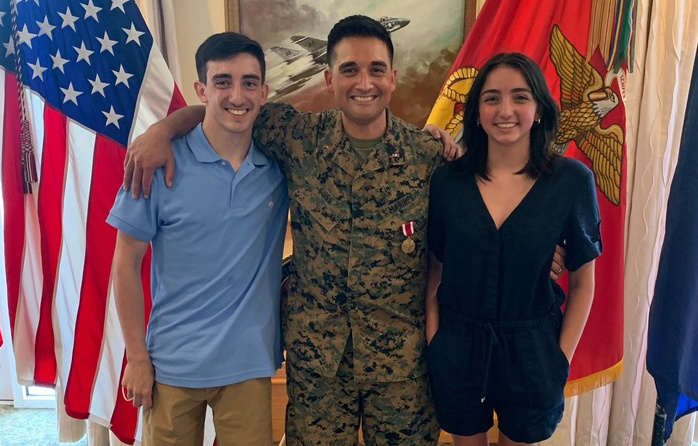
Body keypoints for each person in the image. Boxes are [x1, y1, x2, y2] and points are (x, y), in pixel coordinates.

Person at [123, 17, 566, 445]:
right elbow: (226, 107)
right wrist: (162, 129)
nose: (364, 83)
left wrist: (537, 252)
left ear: (392, 77)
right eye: (349, 70)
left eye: (376, 70)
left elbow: (482, 217)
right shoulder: (295, 136)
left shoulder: (429, 158)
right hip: (319, 367)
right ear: (330, 79)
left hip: (402, 370)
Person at [108, 32, 288, 446]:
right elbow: (125, 265)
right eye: (222, 81)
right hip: (170, 364)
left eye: (248, 82)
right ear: (201, 89)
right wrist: (137, 358)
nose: (236, 95)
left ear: (264, 91)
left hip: (248, 364)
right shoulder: (156, 164)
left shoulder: (280, 166)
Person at [425, 52, 602, 446]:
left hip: (533, 350)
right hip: (458, 345)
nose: (505, 110)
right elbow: (435, 268)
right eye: (491, 98)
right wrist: (436, 339)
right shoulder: (448, 183)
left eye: (520, 97)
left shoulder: (572, 181)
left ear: (538, 109)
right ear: (476, 112)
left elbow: (583, 282)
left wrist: (560, 359)